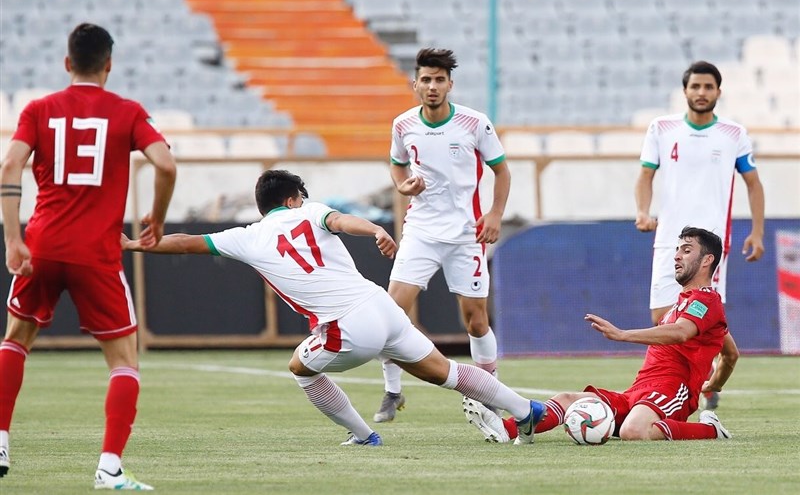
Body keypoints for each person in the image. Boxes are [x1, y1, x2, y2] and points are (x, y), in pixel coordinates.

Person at [121, 169, 546, 447]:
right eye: (302, 196)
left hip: (349, 324)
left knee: (300, 369)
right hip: (381, 306)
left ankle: (363, 436)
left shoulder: (246, 236)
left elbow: (187, 243)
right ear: (292, 199)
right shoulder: (311, 210)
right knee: (445, 372)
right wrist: (377, 229)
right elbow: (342, 221)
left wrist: (142, 244)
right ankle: (526, 411)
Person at [0, 23, 177, 490]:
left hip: (42, 244)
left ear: (66, 63)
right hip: (96, 253)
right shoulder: (127, 111)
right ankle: (109, 468)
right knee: (124, 361)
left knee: (16, 338)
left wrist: (12, 239)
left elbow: (9, 164)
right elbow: (166, 164)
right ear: (108, 65)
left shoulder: (38, 109)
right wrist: (155, 219)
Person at [464, 226, 739, 444]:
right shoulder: (684, 303)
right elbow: (730, 352)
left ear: (707, 260)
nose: (677, 255)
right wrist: (713, 385)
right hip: (638, 391)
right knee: (567, 400)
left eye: (686, 250)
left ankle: (708, 429)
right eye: (677, 249)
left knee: (633, 431)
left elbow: (681, 333)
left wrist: (622, 335)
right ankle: (505, 429)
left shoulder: (707, 301)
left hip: (671, 392)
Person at [375, 48, 511, 423]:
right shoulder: (403, 125)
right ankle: (392, 390)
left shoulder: (474, 123)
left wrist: (495, 214)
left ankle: (488, 394)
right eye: (426, 79)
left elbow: (502, 171)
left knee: (475, 321)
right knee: (390, 312)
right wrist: (404, 186)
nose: (432, 86)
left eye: (439, 80)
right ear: (414, 83)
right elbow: (397, 164)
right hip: (421, 231)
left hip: (467, 233)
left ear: (450, 84)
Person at [635, 60, 763, 410]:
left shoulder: (734, 134)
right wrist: (643, 211)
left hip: (710, 243)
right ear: (685, 91)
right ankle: (718, 367)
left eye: (708, 87)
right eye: (696, 87)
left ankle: (689, 385)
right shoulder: (661, 128)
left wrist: (758, 232)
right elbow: (645, 175)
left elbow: (753, 183)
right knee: (663, 316)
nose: (702, 93)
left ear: (718, 92)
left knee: (697, 314)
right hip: (669, 239)